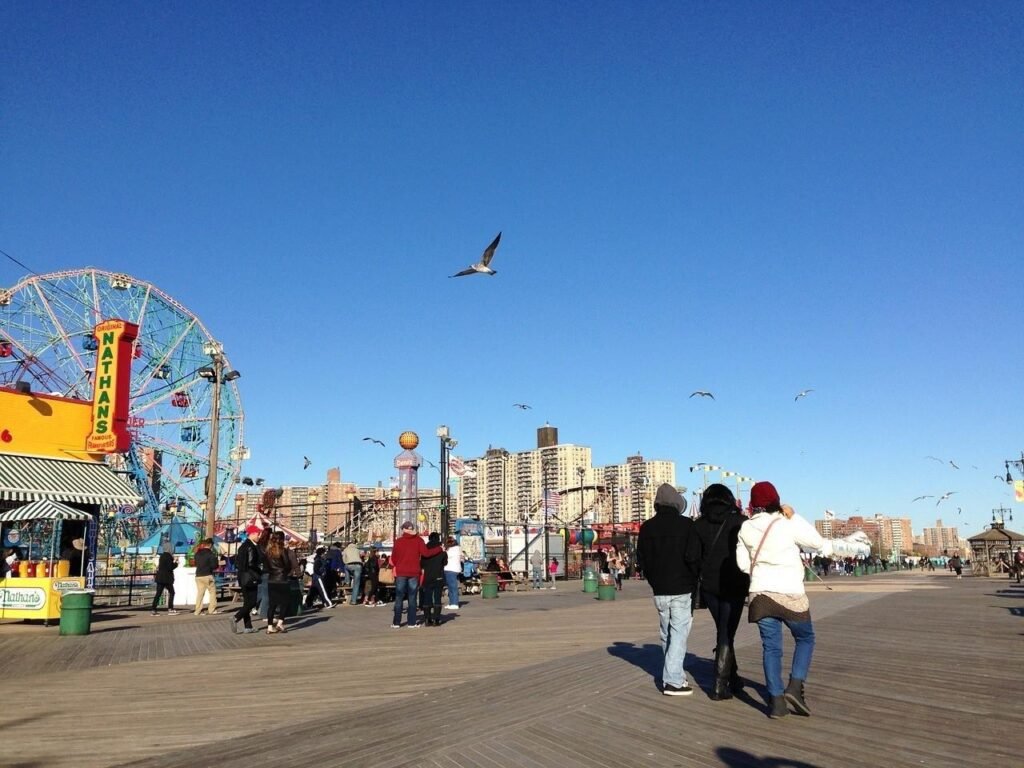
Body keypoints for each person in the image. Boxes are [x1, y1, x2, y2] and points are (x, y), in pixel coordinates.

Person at [736, 481, 823, 719]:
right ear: (776, 500)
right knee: (805, 638)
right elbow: (816, 543)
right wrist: (793, 516)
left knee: (771, 647)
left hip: (761, 594)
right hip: (790, 592)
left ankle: (775, 701)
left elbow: (743, 565)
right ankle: (795, 686)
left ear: (753, 504)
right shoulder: (786, 524)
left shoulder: (745, 529)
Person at [689, 483, 750, 700]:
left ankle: (732, 678)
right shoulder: (741, 523)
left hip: (710, 587)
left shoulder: (698, 526)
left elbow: (693, 558)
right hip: (735, 584)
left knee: (723, 630)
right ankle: (719, 684)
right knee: (727, 632)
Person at [636, 483, 698, 696]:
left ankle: (676, 674)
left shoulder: (646, 527)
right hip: (681, 587)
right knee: (679, 633)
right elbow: (693, 557)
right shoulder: (687, 525)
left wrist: (653, 580)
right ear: (677, 503)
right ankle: (673, 680)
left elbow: (641, 559)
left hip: (659, 589)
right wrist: (693, 580)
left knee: (666, 633)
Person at [390, 521, 442, 628]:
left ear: (403, 530)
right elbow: (426, 554)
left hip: (401, 573)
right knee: (412, 597)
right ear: (412, 529)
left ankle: (396, 622)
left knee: (399, 597)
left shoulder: (398, 542)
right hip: (414, 573)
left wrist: (400, 564)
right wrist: (439, 549)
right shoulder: (419, 540)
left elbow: (393, 558)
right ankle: (412, 622)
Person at [264, 531, 299, 634]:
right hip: (282, 579)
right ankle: (280, 623)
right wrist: (287, 571)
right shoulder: (283, 550)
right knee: (284, 603)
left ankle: (270, 627)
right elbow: (287, 564)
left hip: (272, 579)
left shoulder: (267, 551)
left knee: (272, 604)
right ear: (282, 539)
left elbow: (266, 567)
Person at [231, 525, 263, 634]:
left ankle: (248, 626)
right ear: (252, 533)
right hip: (251, 577)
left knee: (247, 602)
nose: (260, 536)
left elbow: (236, 563)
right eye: (258, 534)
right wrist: (259, 569)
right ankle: (236, 617)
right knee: (252, 602)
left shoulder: (242, 546)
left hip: (242, 577)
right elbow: (251, 563)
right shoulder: (251, 546)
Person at [420, 532, 447, 626]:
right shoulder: (442, 550)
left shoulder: (425, 549)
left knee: (427, 597)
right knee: (437, 598)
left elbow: (421, 564)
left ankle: (427, 619)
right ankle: (436, 619)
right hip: (438, 576)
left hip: (427, 577)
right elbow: (445, 562)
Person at [151, 544, 179, 616]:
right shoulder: (169, 556)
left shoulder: (162, 556)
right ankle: (170, 608)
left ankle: (153, 609)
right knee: (172, 592)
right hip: (166, 578)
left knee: (158, 594)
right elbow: (170, 567)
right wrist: (176, 563)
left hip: (160, 578)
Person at [193, 538, 219, 616]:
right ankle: (212, 609)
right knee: (212, 592)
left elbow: (196, 563)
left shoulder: (197, 554)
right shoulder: (211, 554)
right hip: (208, 575)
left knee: (200, 594)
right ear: (210, 545)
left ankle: (197, 611)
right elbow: (214, 566)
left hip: (198, 575)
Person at [444, 536, 462, 610]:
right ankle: (452, 603)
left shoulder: (451, 550)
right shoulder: (457, 549)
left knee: (452, 587)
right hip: (455, 569)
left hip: (450, 569)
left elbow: (445, 556)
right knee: (452, 587)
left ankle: (454, 603)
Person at [343, 541, 363, 605]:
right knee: (356, 584)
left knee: (345, 567)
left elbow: (344, 560)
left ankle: (347, 581)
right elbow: (361, 556)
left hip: (350, 565)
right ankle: (354, 601)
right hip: (358, 565)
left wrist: (347, 562)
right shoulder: (357, 550)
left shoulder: (346, 549)